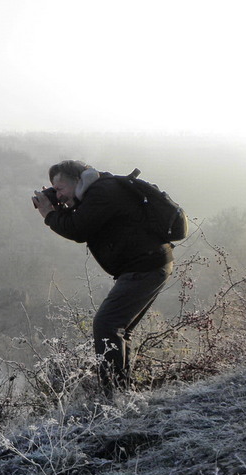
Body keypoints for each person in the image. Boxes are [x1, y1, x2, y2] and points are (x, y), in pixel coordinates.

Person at [31, 160, 173, 396]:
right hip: (148, 264)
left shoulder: (102, 192)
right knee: (118, 329)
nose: (58, 195)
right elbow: (79, 221)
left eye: (59, 189)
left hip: (146, 266)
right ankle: (121, 393)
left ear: (78, 181)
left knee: (106, 324)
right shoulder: (95, 191)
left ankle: (113, 396)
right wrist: (61, 207)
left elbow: (77, 229)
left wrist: (49, 214)